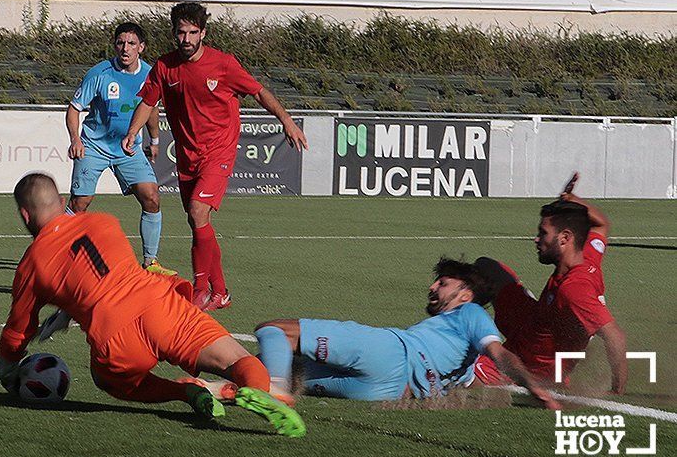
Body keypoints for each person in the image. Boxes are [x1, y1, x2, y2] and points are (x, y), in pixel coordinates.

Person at [0, 173, 306, 438]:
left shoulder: (31, 266)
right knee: (236, 360)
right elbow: (101, 272)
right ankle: (257, 390)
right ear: (63, 200)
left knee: (109, 380)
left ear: (25, 215)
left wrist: (8, 369)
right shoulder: (104, 222)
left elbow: (18, 330)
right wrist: (68, 311)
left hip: (117, 340)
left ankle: (184, 391)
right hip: (161, 307)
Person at [122, 2, 308, 311]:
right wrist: (132, 132)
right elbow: (147, 101)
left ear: (203, 33)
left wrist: (287, 121)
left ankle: (200, 290)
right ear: (173, 34)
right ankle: (220, 291)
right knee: (198, 223)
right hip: (187, 156)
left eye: (193, 33)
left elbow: (259, 92)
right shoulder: (164, 67)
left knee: (198, 212)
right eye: (181, 33)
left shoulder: (223, 64)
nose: (187, 39)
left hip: (218, 151)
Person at [253, 258, 560, 409]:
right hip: (385, 393)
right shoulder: (463, 359)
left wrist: (531, 383)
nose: (433, 287)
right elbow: (477, 377)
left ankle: (274, 394)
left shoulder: (471, 313)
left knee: (275, 330)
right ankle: (226, 386)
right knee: (289, 373)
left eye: (443, 283)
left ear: (466, 295)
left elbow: (500, 354)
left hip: (391, 352)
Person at [473, 173, 628, 394]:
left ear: (565, 239)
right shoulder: (587, 253)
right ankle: (471, 323)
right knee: (487, 268)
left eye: (542, 234)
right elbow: (601, 225)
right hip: (535, 319)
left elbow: (615, 336)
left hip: (529, 363)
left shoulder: (574, 290)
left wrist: (617, 391)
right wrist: (571, 200)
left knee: (460, 373)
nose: (536, 239)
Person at [66, 22, 174, 275]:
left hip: (129, 149)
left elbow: (151, 108)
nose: (125, 49)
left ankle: (150, 262)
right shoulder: (99, 73)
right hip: (94, 145)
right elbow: (74, 109)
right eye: (121, 43)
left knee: (151, 197)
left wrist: (155, 140)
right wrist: (75, 139)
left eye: (131, 44)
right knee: (80, 203)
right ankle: (58, 252)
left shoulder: (150, 74)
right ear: (115, 45)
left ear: (142, 47)